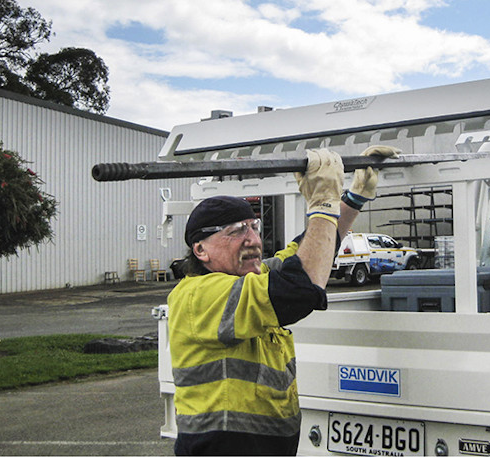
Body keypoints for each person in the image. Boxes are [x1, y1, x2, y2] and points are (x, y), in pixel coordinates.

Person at [168, 145, 400, 455]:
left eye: (254, 227)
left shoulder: (252, 279)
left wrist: (353, 198)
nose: (252, 240)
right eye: (236, 231)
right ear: (200, 250)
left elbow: (312, 254)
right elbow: (301, 288)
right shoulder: (199, 295)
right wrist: (321, 202)